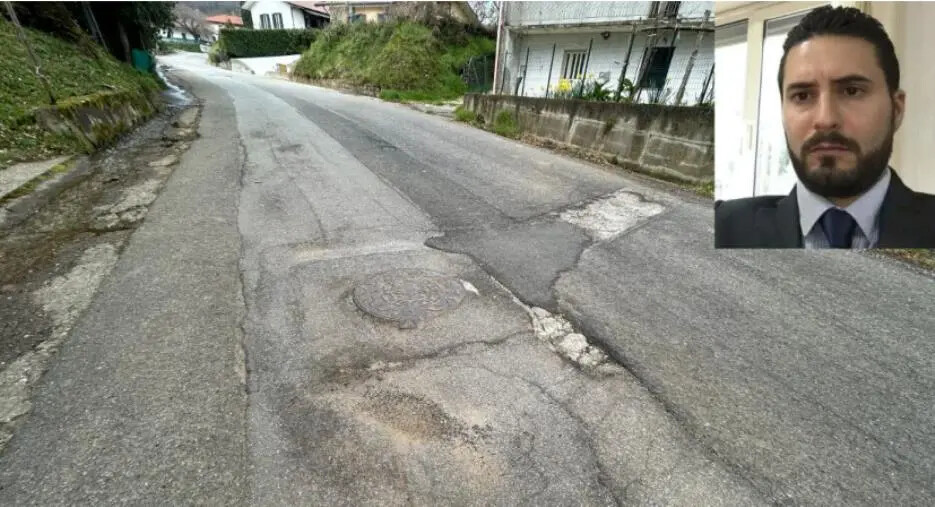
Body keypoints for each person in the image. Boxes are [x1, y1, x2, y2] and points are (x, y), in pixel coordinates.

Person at [715, 6, 935, 248]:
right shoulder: (724, 227)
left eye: (852, 91)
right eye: (802, 96)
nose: (826, 118)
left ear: (897, 109)